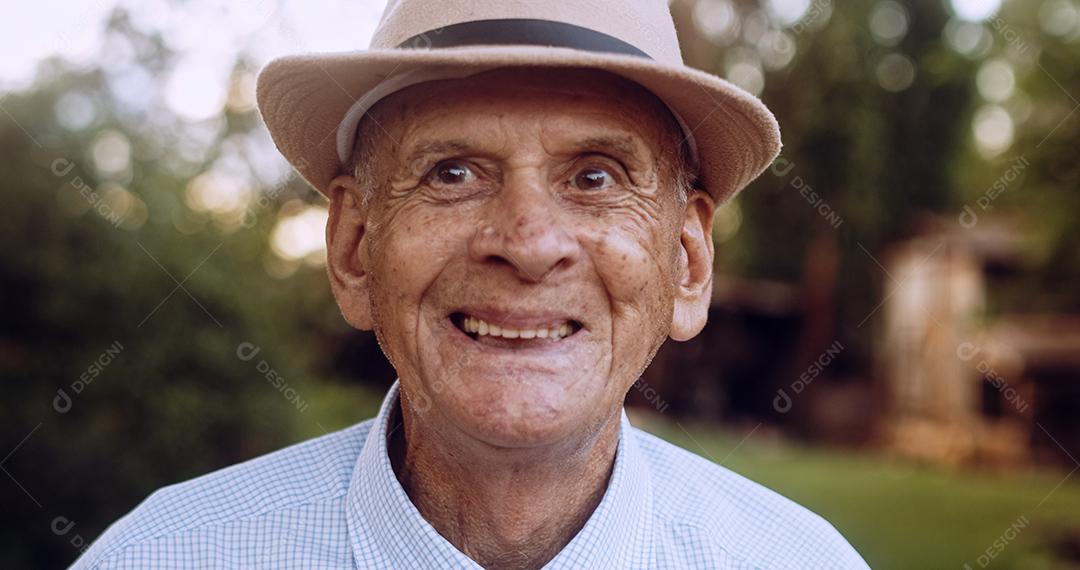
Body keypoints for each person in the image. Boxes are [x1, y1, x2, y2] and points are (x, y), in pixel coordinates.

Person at [74, 0, 869, 568]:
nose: (527, 244)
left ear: (688, 264)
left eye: (595, 176)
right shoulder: (163, 556)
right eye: (452, 172)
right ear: (355, 249)